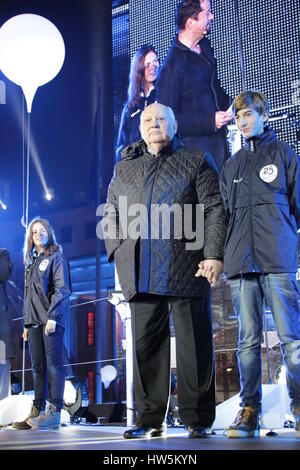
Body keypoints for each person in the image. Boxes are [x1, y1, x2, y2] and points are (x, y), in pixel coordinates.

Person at [101, 102, 227, 439]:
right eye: (148, 120)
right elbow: (111, 209)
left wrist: (213, 254)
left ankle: (197, 419)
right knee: (145, 348)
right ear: (140, 129)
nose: (154, 124)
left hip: (188, 264)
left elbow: (214, 208)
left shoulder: (197, 159)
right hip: (140, 267)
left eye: (161, 119)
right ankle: (149, 418)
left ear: (174, 125)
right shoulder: (124, 167)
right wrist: (118, 250)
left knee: (193, 345)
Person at [219, 90, 300, 438]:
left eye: (249, 114)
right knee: (247, 343)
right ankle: (249, 409)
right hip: (240, 266)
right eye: (238, 117)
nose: (243, 121)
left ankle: (298, 405)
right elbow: (221, 218)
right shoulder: (231, 166)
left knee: (292, 340)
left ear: (264, 116)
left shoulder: (284, 154)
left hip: (278, 259)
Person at [157, 0, 233, 171]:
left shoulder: (205, 47)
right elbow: (169, 121)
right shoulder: (171, 68)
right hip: (195, 161)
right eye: (207, 13)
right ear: (191, 23)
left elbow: (214, 89)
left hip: (220, 150)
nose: (212, 17)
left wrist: (234, 105)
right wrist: (210, 121)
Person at [13, 218, 71, 430]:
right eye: (34, 231)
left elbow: (62, 289)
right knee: (37, 367)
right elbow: (28, 296)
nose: (38, 233)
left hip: (50, 320)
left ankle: (54, 411)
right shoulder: (31, 262)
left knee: (54, 364)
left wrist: (53, 316)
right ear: (30, 237)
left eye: (42, 229)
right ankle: (36, 410)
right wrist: (27, 325)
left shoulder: (56, 256)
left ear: (50, 232)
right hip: (34, 322)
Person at [116, 44, 160, 161]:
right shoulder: (130, 107)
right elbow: (122, 146)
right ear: (139, 69)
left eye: (155, 61)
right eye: (147, 65)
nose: (153, 67)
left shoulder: (164, 96)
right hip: (136, 169)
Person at [0, 248, 15, 400]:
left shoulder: (2, 254)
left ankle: (1, 412)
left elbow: (3, 273)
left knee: (2, 367)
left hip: (0, 325)